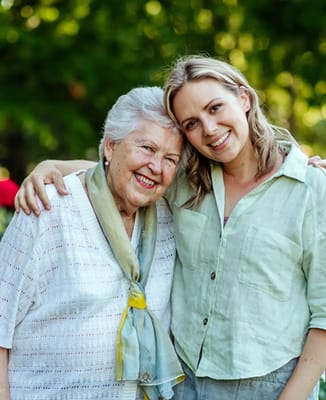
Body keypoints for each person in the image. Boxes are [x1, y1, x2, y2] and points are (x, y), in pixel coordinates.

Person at [14, 55, 326, 400]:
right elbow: (122, 169)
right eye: (191, 123)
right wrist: (50, 165)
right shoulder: (186, 182)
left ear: (244, 99)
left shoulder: (311, 189)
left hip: (271, 386)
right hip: (185, 382)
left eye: (215, 107)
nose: (208, 128)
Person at [0, 86, 185, 400]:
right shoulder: (48, 209)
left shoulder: (169, 217)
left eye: (170, 158)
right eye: (146, 148)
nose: (156, 166)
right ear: (111, 146)